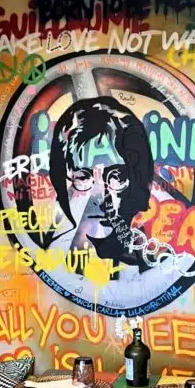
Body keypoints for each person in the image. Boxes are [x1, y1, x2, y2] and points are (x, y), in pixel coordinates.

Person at [48, 96, 154, 264]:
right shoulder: (46, 256)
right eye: (83, 176)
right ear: (64, 178)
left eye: (116, 177)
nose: (99, 196)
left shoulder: (150, 264)